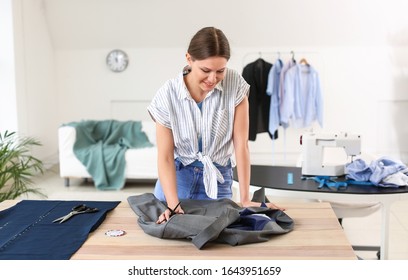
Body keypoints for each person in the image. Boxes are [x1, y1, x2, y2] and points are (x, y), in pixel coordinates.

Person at [147, 27, 283, 224]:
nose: (213, 79)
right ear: (189, 59)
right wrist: (173, 204)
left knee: (216, 242)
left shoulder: (235, 84)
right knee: (171, 240)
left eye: (220, 71)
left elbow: (241, 144)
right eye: (205, 70)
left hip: (218, 178)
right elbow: (166, 157)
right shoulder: (167, 95)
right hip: (177, 181)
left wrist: (245, 198)